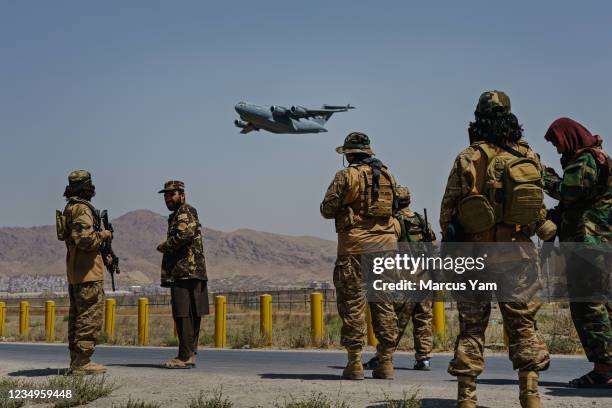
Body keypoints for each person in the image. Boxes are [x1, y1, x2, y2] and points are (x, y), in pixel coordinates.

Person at [440, 91, 554, 408]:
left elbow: (448, 212)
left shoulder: (467, 157)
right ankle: (530, 396)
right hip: (518, 255)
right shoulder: (529, 157)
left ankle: (467, 397)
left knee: (472, 326)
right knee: (523, 326)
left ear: (478, 119)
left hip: (473, 255)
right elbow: (536, 211)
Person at [320, 132, 400, 380]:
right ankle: (386, 363)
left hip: (354, 250)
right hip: (385, 248)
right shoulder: (388, 175)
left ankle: (354, 363)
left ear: (348, 154)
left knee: (353, 306)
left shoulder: (346, 176)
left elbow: (327, 209)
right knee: (385, 305)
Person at [543, 117, 612, 387]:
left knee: (589, 307)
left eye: (558, 144)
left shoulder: (587, 160)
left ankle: (604, 370)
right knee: (601, 306)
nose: (559, 151)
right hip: (593, 244)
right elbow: (573, 204)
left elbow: (569, 191)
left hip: (589, 245)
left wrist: (542, 175)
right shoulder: (596, 158)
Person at [363, 186, 436, 371]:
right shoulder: (420, 220)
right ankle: (424, 359)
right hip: (425, 277)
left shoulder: (394, 222)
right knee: (424, 320)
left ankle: (383, 357)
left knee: (395, 321)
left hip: (406, 278)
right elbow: (433, 245)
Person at [58, 170, 112, 374]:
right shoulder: (81, 208)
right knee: (89, 317)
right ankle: (82, 362)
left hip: (76, 272)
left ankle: (77, 361)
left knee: (78, 317)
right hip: (87, 272)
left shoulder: (70, 207)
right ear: (88, 186)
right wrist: (105, 234)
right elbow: (86, 240)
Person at [157, 180, 209, 369]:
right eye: (165, 195)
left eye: (171, 194)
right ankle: (190, 354)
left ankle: (184, 356)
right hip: (191, 271)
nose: (168, 198)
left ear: (182, 194)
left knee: (183, 315)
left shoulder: (185, 212)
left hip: (185, 272)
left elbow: (184, 235)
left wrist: (165, 246)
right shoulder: (181, 213)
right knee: (191, 315)